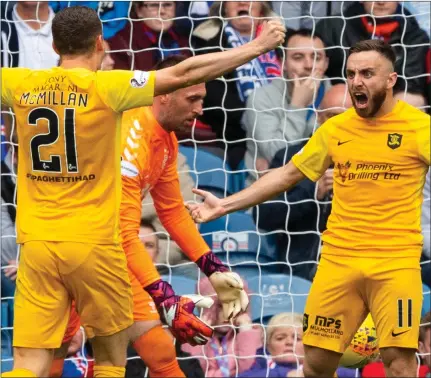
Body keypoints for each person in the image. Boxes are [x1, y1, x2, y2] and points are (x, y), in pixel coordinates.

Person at [1, 4, 286, 377]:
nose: (199, 108)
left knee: (29, 364)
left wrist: (209, 267)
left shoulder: (19, 83)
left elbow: (171, 210)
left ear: (53, 47)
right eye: (194, 100)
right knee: (108, 357)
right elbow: (183, 73)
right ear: (101, 44)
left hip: (37, 246)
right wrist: (256, 47)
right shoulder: (108, 88)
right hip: (97, 246)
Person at [186, 39, 430, 377]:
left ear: (391, 80)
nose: (357, 81)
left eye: (368, 73)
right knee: (315, 363)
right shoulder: (336, 129)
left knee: (399, 360)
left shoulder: (419, 129)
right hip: (338, 262)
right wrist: (225, 204)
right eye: (351, 74)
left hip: (395, 263)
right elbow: (286, 175)